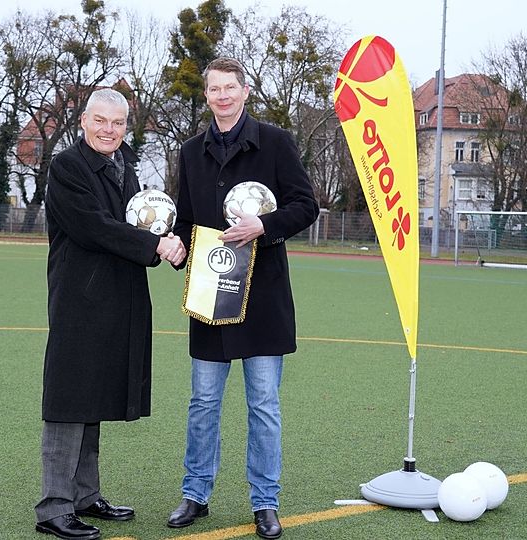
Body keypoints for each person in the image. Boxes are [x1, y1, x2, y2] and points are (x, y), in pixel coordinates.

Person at [167, 57, 319, 539]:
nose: (223, 96)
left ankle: (265, 502)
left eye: (230, 87)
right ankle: (195, 494)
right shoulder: (191, 152)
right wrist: (172, 246)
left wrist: (264, 226)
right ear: (207, 96)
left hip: (263, 298)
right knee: (203, 402)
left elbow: (305, 205)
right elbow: (186, 221)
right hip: (211, 292)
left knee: (264, 404)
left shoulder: (275, 142)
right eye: (214, 89)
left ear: (246, 90)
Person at [35, 88, 185, 540]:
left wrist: (168, 239)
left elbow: (137, 221)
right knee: (69, 398)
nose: (109, 130)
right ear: (83, 121)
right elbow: (92, 226)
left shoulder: (126, 167)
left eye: (117, 123)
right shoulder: (67, 167)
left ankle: (84, 496)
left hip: (119, 297)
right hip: (80, 299)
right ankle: (54, 507)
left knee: (95, 394)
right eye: (100, 120)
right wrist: (155, 245)